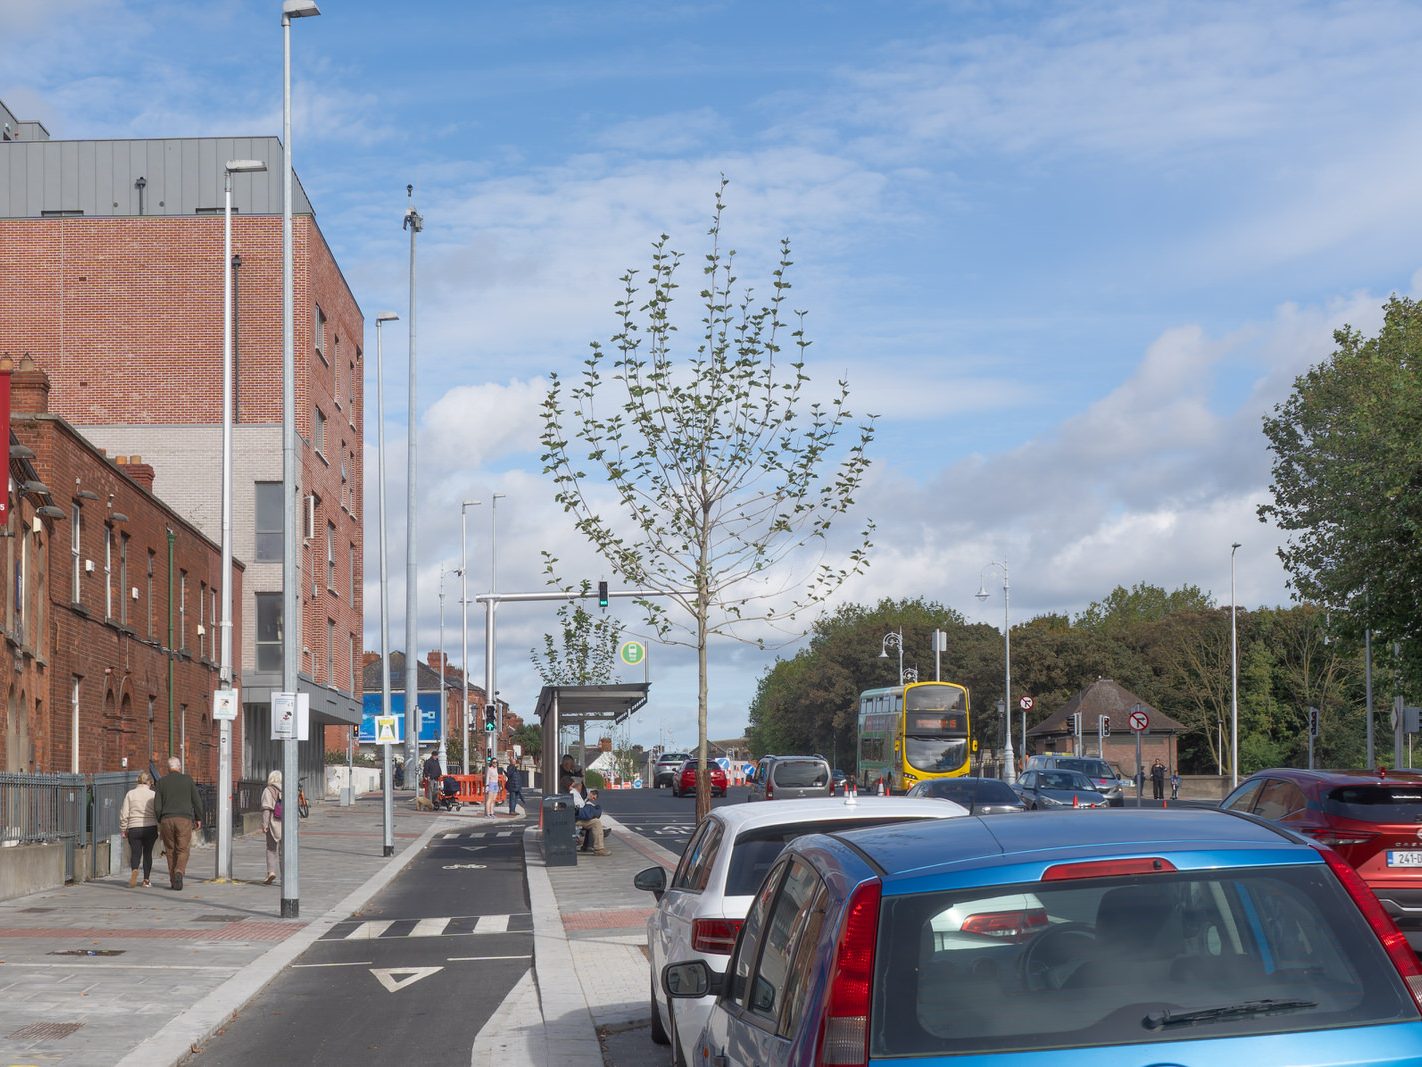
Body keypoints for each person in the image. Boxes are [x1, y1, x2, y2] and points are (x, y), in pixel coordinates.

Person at [153, 756, 203, 891]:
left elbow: (157, 806)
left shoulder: (161, 782)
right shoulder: (187, 780)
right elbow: (197, 801)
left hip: (166, 819)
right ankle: (179, 871)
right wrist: (198, 818)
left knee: (170, 850)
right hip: (184, 819)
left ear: (168, 768)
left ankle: (173, 881)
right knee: (183, 849)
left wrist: (160, 820)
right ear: (179, 767)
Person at [118, 771, 158, 888]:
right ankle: (146, 880)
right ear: (149, 782)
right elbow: (157, 812)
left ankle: (134, 870)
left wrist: (123, 828)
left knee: (135, 853)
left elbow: (124, 813)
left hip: (134, 827)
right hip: (150, 827)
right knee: (147, 853)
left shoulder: (130, 794)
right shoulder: (153, 794)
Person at [571, 783, 609, 856]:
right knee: (596, 822)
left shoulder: (578, 794)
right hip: (574, 818)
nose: (593, 799)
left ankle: (587, 846)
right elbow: (580, 810)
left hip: (574, 817)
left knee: (594, 820)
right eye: (594, 798)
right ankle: (599, 849)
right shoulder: (575, 794)